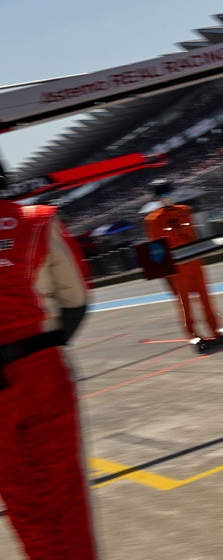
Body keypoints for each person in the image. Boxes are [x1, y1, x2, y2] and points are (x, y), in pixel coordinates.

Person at [0, 160, 98, 559]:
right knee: (62, 493)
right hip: (39, 367)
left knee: (21, 500)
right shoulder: (37, 220)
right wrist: (47, 345)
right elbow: (76, 300)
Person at [144, 180, 223, 352]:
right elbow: (156, 249)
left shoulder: (184, 211)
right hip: (177, 267)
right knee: (185, 304)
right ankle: (195, 337)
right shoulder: (153, 220)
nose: (168, 197)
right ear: (157, 198)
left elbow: (194, 235)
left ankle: (217, 332)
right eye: (163, 194)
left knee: (206, 299)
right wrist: (164, 274)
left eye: (169, 192)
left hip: (195, 261)